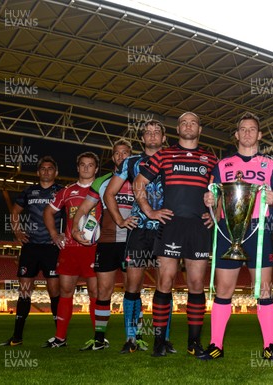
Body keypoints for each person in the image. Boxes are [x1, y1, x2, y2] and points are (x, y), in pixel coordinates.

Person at [199, 112, 273, 361]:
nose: (247, 133)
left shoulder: (270, 165)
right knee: (224, 289)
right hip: (229, 229)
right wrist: (210, 200)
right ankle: (216, 345)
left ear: (259, 135)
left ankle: (269, 346)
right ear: (236, 135)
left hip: (259, 230)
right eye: (243, 129)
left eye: (252, 129)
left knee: (264, 289)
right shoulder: (222, 165)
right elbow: (213, 197)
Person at [133, 112, 218, 357]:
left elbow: (220, 192)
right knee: (165, 281)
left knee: (195, 284)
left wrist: (215, 214)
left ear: (200, 129)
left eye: (193, 122)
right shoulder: (164, 154)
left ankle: (194, 344)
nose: (188, 126)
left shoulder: (211, 159)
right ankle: (159, 342)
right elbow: (138, 183)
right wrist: (149, 211)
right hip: (170, 224)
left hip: (199, 227)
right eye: (183, 122)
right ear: (178, 129)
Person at [103, 119, 169, 354]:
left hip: (166, 228)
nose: (152, 136)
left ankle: (163, 340)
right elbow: (109, 193)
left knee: (165, 285)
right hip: (139, 229)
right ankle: (131, 338)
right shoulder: (131, 162)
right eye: (147, 132)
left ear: (163, 138)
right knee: (132, 285)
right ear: (142, 139)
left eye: (156, 132)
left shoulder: (172, 159)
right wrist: (120, 220)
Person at [71, 139, 133, 350]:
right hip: (107, 242)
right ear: (113, 157)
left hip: (132, 243)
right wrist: (74, 229)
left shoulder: (142, 179)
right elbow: (83, 208)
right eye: (117, 153)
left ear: (131, 155)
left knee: (133, 290)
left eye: (125, 153)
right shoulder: (103, 181)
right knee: (103, 290)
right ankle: (99, 339)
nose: (121, 156)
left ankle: (135, 338)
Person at [0, 156, 63, 347]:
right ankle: (17, 337)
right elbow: (15, 212)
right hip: (31, 247)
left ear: (55, 172)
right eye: (42, 168)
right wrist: (17, 230)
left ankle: (60, 338)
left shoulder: (62, 191)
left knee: (54, 292)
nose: (46, 171)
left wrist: (64, 235)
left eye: (50, 168)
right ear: (38, 172)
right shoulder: (29, 191)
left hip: (52, 248)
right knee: (25, 291)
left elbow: (73, 213)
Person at [42, 152, 101, 348]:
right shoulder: (67, 191)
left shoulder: (102, 190)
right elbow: (48, 212)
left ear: (96, 169)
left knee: (96, 292)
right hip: (69, 248)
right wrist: (54, 235)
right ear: (77, 168)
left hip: (93, 248)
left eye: (90, 165)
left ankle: (99, 339)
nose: (86, 168)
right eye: (82, 164)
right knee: (65, 291)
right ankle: (60, 338)